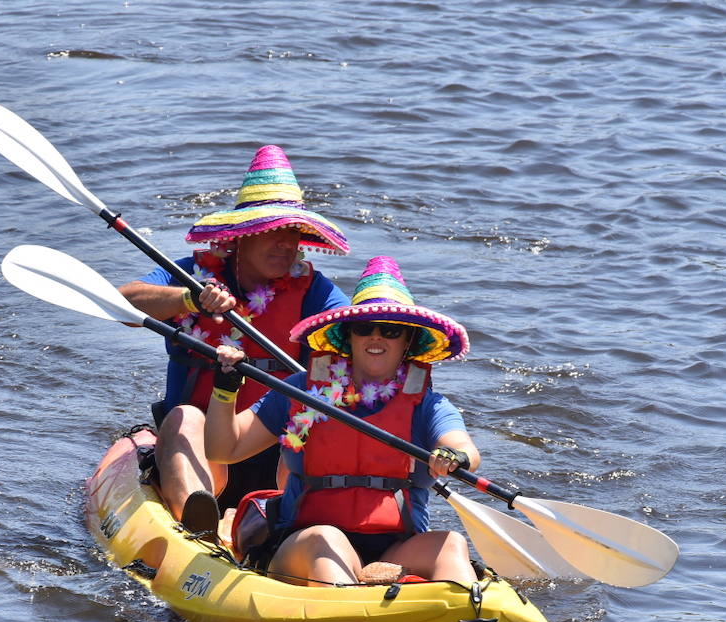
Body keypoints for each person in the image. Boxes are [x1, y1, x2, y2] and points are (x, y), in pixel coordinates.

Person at [205, 256, 480, 585]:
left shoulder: (427, 405)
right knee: (326, 540)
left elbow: (464, 448)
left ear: (408, 342)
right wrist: (225, 388)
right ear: (348, 336)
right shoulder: (301, 390)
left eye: (391, 330)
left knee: (452, 543)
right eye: (364, 328)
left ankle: (471, 618)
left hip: (394, 549)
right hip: (306, 542)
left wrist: (455, 457)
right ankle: (349, 609)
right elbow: (225, 449)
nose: (376, 337)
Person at [116, 145, 350, 532]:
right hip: (200, 444)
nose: (286, 243)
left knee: (317, 429)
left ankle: (296, 529)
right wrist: (188, 299)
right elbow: (123, 304)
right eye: (274, 231)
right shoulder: (194, 273)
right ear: (242, 235)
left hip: (274, 443)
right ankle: (198, 521)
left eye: (294, 232)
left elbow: (354, 339)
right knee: (184, 416)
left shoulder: (314, 292)